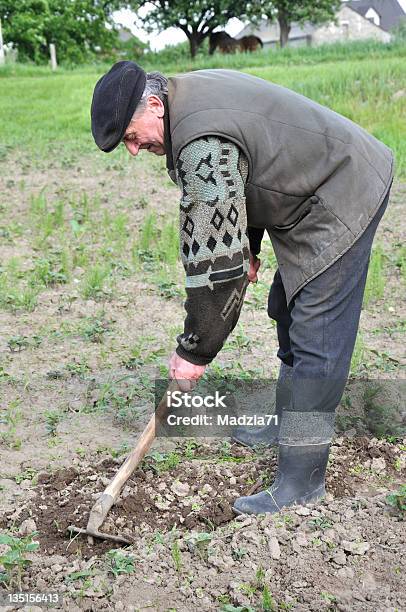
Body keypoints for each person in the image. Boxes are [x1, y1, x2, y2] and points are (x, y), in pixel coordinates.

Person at [90, 61, 394, 515]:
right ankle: (284, 423)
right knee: (288, 308)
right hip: (306, 189)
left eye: (132, 137)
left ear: (154, 106)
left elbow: (216, 274)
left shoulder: (198, 146)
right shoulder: (183, 96)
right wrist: (247, 243)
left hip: (343, 186)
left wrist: (194, 351)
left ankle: (302, 481)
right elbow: (245, 170)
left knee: (317, 333)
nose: (134, 150)